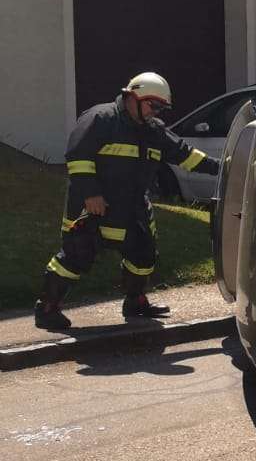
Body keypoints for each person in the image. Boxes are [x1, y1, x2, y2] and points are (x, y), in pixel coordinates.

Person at [35, 72, 219, 330]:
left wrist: (222, 168)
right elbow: (77, 156)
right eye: (153, 105)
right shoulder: (101, 118)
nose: (156, 113)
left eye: (160, 108)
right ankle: (47, 309)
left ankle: (135, 302)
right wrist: (91, 194)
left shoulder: (154, 131)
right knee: (75, 258)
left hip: (131, 208)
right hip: (92, 207)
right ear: (134, 96)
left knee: (143, 256)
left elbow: (185, 155)